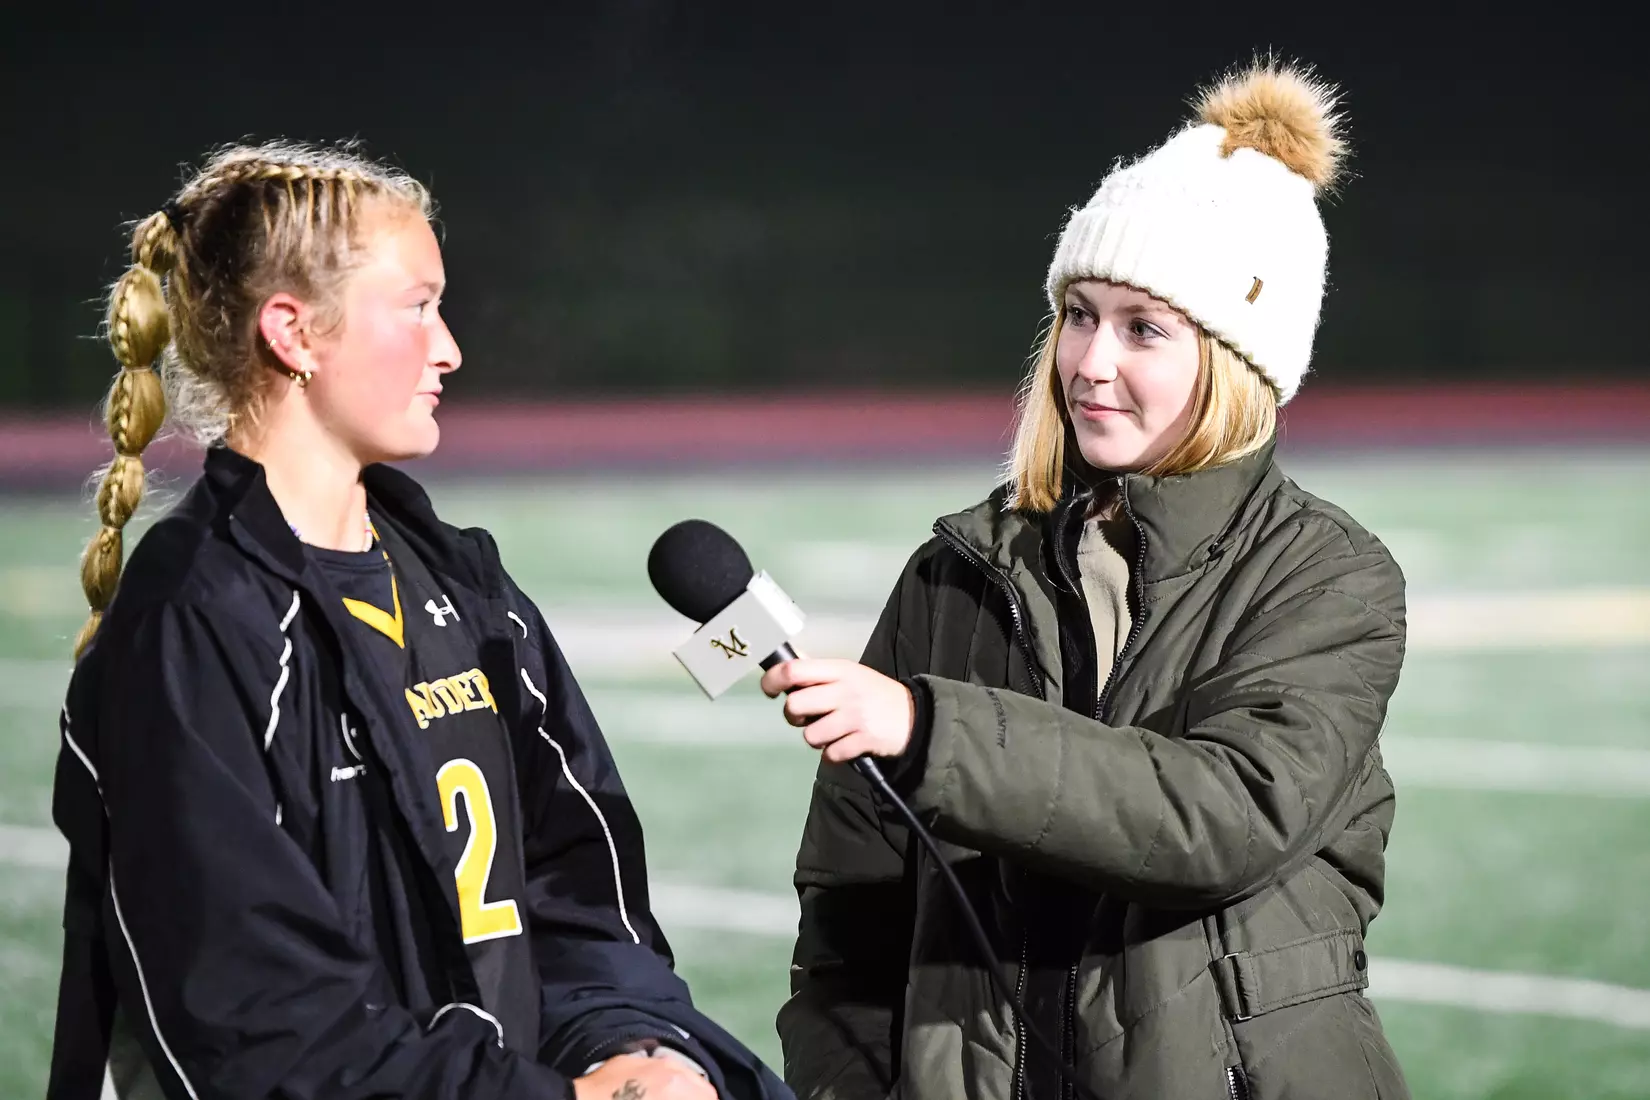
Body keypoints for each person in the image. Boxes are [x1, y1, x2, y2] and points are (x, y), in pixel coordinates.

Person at [49, 141, 789, 1100]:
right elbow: (262, 1031)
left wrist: (638, 1052)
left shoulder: (464, 585)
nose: (450, 348)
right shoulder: (196, 619)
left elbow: (580, 899)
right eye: (418, 306)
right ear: (294, 333)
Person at [764, 60, 1412, 1100]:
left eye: (1143, 328)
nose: (1089, 361)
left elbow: (1223, 815)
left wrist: (933, 731)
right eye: (1078, 314)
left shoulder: (1329, 576)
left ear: (1237, 362)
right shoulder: (957, 572)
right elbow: (852, 906)